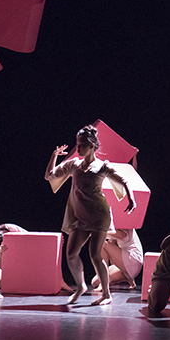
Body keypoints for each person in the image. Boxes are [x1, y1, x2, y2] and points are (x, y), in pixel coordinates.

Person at [45, 124, 136, 305]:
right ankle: (80, 286)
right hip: (80, 217)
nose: (78, 148)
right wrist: (54, 156)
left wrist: (131, 200)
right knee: (71, 254)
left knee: (95, 255)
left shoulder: (102, 167)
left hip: (99, 216)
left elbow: (123, 180)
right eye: (77, 144)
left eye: (82, 145)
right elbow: (49, 176)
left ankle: (107, 295)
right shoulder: (73, 165)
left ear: (92, 146)